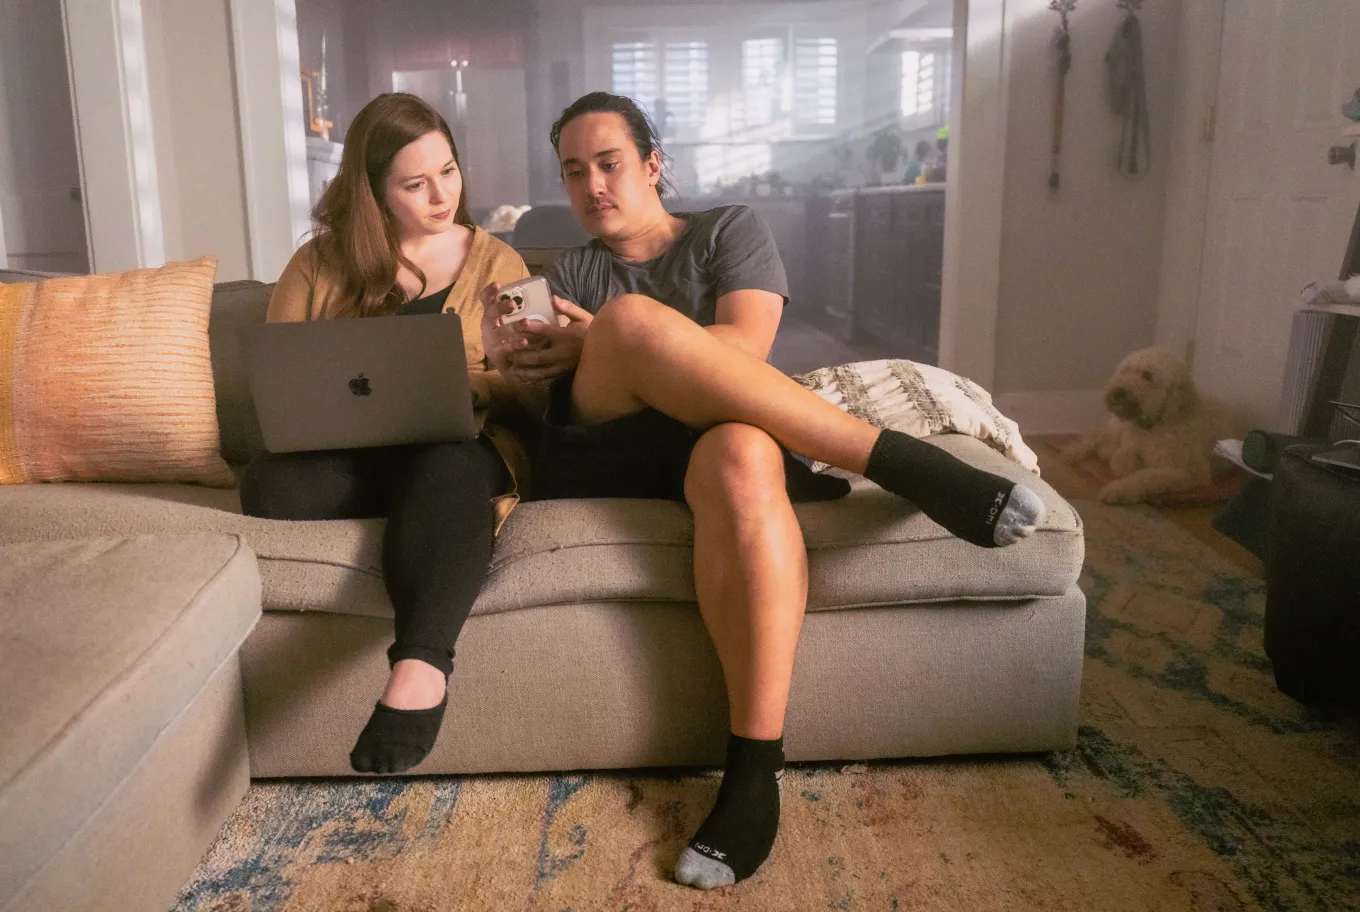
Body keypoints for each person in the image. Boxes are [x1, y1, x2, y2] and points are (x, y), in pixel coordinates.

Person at [479, 92, 1047, 890]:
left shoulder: (727, 230)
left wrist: (600, 337)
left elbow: (747, 346)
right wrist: (521, 356)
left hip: (716, 437)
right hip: (604, 455)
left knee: (744, 449)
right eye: (575, 172)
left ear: (652, 164)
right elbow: (547, 396)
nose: (592, 186)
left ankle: (752, 774)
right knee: (630, 325)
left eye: (609, 164)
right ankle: (900, 463)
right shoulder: (568, 271)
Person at [241, 93, 536, 776]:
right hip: (354, 460)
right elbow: (278, 379)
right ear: (373, 192)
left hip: (458, 448)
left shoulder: (503, 264)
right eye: (415, 183)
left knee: (450, 463)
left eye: (449, 171)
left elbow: (536, 399)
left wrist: (488, 372)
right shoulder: (317, 264)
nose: (442, 193)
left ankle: (420, 670)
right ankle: (429, 511)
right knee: (267, 482)